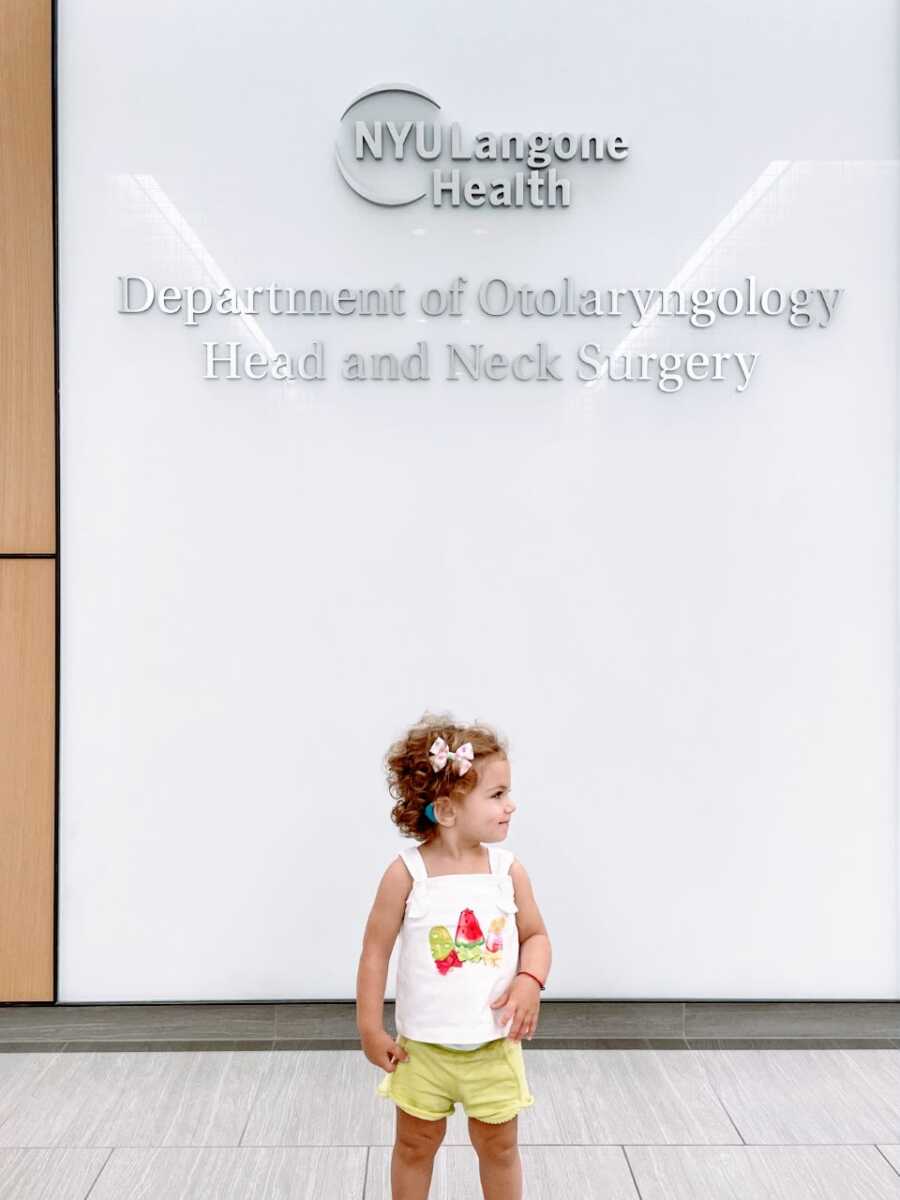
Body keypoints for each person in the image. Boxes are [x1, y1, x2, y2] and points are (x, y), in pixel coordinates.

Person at [356, 712, 552, 1200]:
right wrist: (369, 1026)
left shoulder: (508, 871)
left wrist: (529, 980)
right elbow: (375, 952)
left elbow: (537, 936)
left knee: (500, 1147)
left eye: (508, 793)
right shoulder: (407, 874)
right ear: (446, 811)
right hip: (421, 1049)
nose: (512, 805)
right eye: (497, 795)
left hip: (493, 1047)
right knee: (414, 1146)